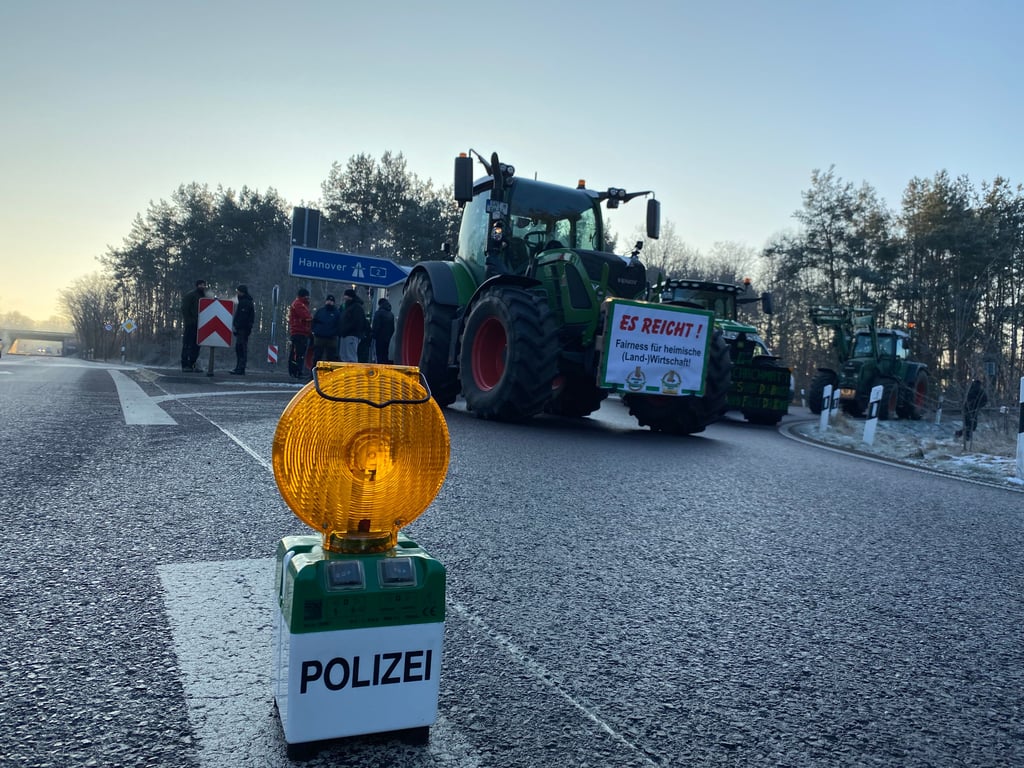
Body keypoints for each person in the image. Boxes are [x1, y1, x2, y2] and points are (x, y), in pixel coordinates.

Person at [180, 279, 207, 372]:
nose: (202, 286)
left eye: (204, 285)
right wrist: (189, 321)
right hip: (191, 324)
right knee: (188, 344)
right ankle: (185, 365)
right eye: (201, 285)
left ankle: (192, 364)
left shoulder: (204, 297)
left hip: (200, 325)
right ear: (197, 285)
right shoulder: (190, 295)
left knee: (197, 346)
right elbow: (185, 309)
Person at [230, 284, 255, 375]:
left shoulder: (245, 302)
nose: (237, 293)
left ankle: (240, 368)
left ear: (242, 292)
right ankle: (239, 367)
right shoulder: (245, 301)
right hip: (242, 329)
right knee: (240, 348)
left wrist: (237, 326)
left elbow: (243, 317)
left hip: (242, 329)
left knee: (241, 348)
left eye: (238, 291)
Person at [287, 287, 313, 379]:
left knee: (299, 353)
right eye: (307, 297)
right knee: (298, 353)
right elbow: (306, 317)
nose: (308, 298)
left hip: (301, 332)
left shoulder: (300, 304)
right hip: (299, 332)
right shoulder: (299, 304)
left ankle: (297, 371)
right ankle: (296, 371)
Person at [338, 288, 368, 363]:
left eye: (346, 296)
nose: (344, 297)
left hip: (352, 335)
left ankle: (352, 372)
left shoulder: (356, 307)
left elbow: (357, 322)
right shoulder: (349, 307)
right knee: (344, 356)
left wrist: (346, 329)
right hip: (346, 335)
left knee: (350, 356)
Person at [311, 294, 342, 366]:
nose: (329, 302)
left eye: (331, 301)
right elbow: (314, 321)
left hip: (331, 339)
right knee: (317, 357)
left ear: (333, 302)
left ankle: (329, 375)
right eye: (328, 300)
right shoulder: (320, 311)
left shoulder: (337, 313)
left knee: (330, 358)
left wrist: (335, 333)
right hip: (319, 338)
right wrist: (315, 331)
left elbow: (339, 324)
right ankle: (314, 374)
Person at [959, 376, 988, 442]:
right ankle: (966, 438)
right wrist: (979, 406)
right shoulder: (979, 391)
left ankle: (964, 437)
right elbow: (985, 400)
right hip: (973, 409)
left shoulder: (969, 390)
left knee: (968, 425)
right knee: (972, 425)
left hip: (967, 409)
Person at [371, 297, 395, 364]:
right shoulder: (391, 314)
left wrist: (373, 335)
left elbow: (376, 325)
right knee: (385, 354)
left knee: (379, 355)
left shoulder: (378, 313)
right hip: (387, 338)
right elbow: (392, 328)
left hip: (379, 338)